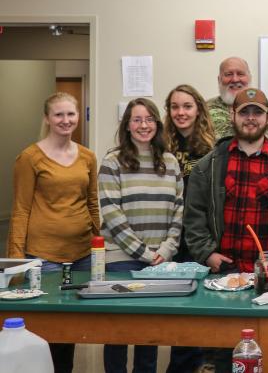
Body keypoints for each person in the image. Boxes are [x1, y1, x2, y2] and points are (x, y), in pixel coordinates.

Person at [8, 92, 99, 373]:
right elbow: (21, 209)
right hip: (44, 257)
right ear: (47, 119)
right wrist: (15, 261)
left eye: (70, 114)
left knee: (71, 328)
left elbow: (93, 203)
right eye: (58, 115)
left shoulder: (87, 156)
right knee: (47, 326)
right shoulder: (30, 158)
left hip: (83, 254)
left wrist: (100, 245)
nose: (65, 120)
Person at [99, 98, 184, 373]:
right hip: (121, 259)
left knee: (149, 331)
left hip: (159, 260)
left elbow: (179, 209)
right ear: (127, 125)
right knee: (118, 332)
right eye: (137, 119)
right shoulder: (112, 161)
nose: (143, 125)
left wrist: (168, 249)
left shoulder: (170, 162)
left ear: (157, 124)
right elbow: (112, 214)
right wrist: (145, 254)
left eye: (149, 119)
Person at [184, 87, 268, 271]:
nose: (251, 118)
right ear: (232, 115)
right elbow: (194, 218)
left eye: (258, 112)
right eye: (244, 112)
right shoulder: (207, 166)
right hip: (222, 274)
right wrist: (207, 254)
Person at [162, 84, 216, 373]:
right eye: (175, 107)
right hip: (169, 236)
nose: (181, 112)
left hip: (200, 236)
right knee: (177, 308)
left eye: (187, 106)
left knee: (200, 303)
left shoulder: (212, 147)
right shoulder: (161, 145)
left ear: (198, 109)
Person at [207, 56, 268, 141]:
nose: (235, 79)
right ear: (219, 79)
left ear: (249, 78)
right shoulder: (205, 109)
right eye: (228, 74)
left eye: (240, 74)